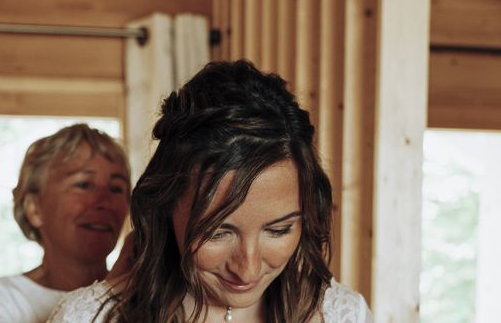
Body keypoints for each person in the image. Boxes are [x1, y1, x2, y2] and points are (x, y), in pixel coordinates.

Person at [48, 60, 372, 323]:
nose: (247, 268)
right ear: (167, 206)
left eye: (278, 230)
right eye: (217, 233)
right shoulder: (88, 318)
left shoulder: (342, 315)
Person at [0, 123, 131, 323]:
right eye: (84, 184)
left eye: (117, 188)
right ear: (34, 209)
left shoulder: (148, 296)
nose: (104, 202)